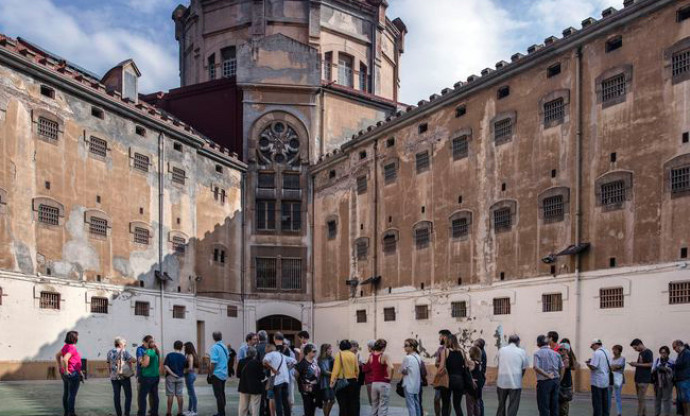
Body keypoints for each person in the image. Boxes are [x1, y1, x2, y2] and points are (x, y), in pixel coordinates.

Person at [496, 335, 529, 416]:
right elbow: (524, 367)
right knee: (513, 405)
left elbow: (499, 364)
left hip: (502, 381)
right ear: (518, 342)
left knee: (501, 404)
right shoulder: (522, 351)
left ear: (509, 341)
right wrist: (520, 377)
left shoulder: (501, 350)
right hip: (515, 382)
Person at [264, 342, 297, 416]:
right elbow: (294, 361)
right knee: (285, 401)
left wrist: (272, 369)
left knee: (278, 401)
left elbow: (264, 361)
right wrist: (288, 368)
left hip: (277, 381)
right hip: (285, 380)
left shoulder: (270, 354)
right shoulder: (281, 355)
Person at [533, 334, 563, 416]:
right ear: (548, 343)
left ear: (538, 344)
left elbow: (536, 367)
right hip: (555, 381)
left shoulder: (537, 354)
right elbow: (562, 366)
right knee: (554, 406)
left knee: (544, 406)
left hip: (544, 382)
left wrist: (547, 375)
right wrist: (560, 378)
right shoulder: (556, 353)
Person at [56, 330, 83, 416]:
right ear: (74, 338)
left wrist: (60, 367)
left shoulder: (65, 346)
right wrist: (67, 370)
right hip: (72, 374)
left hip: (66, 374)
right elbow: (65, 359)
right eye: (77, 336)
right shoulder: (72, 348)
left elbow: (57, 355)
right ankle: (71, 413)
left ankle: (66, 412)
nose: (78, 338)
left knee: (66, 393)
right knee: (72, 395)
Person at [107, 336, 136, 416]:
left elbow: (108, 364)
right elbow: (132, 360)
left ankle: (119, 414)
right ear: (120, 344)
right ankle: (126, 413)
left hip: (113, 377)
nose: (125, 345)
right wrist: (138, 360)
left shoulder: (109, 352)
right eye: (124, 344)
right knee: (128, 395)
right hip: (124, 376)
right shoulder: (124, 351)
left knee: (116, 396)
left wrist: (111, 374)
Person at [442, 334, 470, 416]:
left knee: (446, 404)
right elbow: (466, 367)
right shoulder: (462, 351)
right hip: (460, 380)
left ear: (448, 341)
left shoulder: (446, 351)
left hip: (448, 380)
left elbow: (442, 366)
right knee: (457, 405)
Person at [330, 340, 360, 416]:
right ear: (349, 346)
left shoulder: (339, 355)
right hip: (353, 381)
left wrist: (332, 381)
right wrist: (356, 378)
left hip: (342, 382)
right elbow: (357, 369)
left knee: (342, 404)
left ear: (340, 347)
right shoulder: (353, 355)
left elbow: (336, 370)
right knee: (352, 403)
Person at [586, 339, 611, 416]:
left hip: (597, 381)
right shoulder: (607, 352)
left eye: (592, 346)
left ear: (595, 345)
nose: (592, 348)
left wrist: (588, 364)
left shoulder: (597, 353)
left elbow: (594, 367)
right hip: (605, 380)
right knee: (605, 402)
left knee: (597, 403)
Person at [367, 339, 392, 416]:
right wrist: (390, 377)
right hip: (383, 383)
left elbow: (368, 367)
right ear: (383, 347)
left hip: (374, 383)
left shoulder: (371, 356)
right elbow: (391, 367)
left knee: (374, 405)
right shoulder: (384, 355)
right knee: (383, 406)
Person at [630, 339, 654, 416]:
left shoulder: (648, 352)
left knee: (641, 400)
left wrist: (637, 364)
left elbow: (650, 364)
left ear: (640, 344)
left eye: (635, 348)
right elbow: (641, 363)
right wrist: (636, 364)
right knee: (641, 400)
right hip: (638, 379)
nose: (635, 350)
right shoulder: (641, 353)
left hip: (644, 380)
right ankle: (644, 414)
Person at [295, 344, 321, 416]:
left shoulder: (314, 362)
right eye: (313, 351)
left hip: (315, 388)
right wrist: (301, 383)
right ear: (308, 352)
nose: (315, 353)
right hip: (305, 389)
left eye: (315, 351)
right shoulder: (302, 363)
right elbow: (296, 375)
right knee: (308, 408)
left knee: (313, 408)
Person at [238, 346, 264, 416]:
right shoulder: (258, 363)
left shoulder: (241, 362)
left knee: (243, 407)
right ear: (255, 354)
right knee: (255, 407)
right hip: (256, 388)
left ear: (246, 353)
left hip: (244, 386)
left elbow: (238, 375)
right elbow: (262, 376)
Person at [209, 331, 230, 416]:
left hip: (217, 373)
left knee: (218, 395)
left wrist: (210, 373)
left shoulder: (214, 348)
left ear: (213, 338)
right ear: (221, 337)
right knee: (222, 393)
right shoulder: (224, 347)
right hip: (224, 373)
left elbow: (213, 362)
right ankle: (222, 411)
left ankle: (221, 413)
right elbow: (227, 358)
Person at [138, 338, 160, 416]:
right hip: (156, 376)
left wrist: (140, 361)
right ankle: (154, 413)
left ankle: (141, 414)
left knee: (142, 397)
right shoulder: (156, 352)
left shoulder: (148, 352)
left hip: (147, 377)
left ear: (147, 344)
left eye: (144, 343)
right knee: (154, 396)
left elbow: (146, 364)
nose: (143, 344)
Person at [163, 340, 186, 416]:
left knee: (170, 395)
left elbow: (166, 365)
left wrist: (172, 373)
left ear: (174, 346)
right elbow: (185, 368)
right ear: (181, 347)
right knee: (179, 395)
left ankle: (169, 412)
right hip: (180, 377)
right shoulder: (183, 357)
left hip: (170, 377)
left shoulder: (170, 355)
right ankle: (180, 412)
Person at [402, 338, 423, 416]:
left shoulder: (407, 358)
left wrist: (405, 371)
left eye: (406, 345)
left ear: (412, 347)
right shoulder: (418, 357)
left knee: (411, 405)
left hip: (408, 384)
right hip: (416, 384)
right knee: (416, 404)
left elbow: (402, 370)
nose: (404, 347)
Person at [652, 346, 675, 416]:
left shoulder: (671, 361)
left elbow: (673, 373)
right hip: (658, 382)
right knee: (657, 399)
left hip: (668, 383)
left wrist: (665, 369)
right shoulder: (657, 361)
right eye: (661, 353)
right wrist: (657, 368)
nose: (663, 354)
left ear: (668, 353)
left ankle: (667, 414)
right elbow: (652, 370)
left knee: (666, 400)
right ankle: (657, 414)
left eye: (665, 353)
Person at [435, 330, 452, 416]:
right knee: (436, 399)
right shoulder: (440, 349)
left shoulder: (452, 349)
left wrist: (444, 364)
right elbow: (436, 363)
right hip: (441, 377)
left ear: (444, 337)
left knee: (447, 400)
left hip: (449, 378)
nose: (439, 338)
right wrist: (442, 363)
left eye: (440, 336)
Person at [465, 346, 485, 416]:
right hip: (478, 386)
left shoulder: (472, 363)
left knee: (470, 406)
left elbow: (465, 367)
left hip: (472, 386)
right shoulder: (479, 363)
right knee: (477, 404)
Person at [672, 340, 690, 416]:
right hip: (680, 379)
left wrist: (673, 365)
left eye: (674, 347)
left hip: (684, 379)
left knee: (686, 399)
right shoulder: (681, 354)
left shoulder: (686, 353)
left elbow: (682, 365)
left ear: (679, 345)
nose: (674, 349)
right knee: (682, 399)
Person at [318, 343, 336, 416]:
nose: (331, 350)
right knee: (325, 401)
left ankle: (327, 414)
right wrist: (334, 373)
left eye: (331, 348)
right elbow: (324, 371)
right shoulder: (320, 360)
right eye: (329, 349)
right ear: (324, 350)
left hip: (331, 383)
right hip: (324, 383)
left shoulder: (332, 359)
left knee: (332, 400)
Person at [557, 343, 574, 416]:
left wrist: (558, 381)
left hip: (564, 385)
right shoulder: (563, 358)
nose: (559, 351)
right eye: (558, 349)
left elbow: (563, 371)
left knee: (563, 406)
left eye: (561, 350)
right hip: (565, 384)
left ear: (566, 350)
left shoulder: (566, 359)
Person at [183, 342, 199, 416]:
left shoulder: (190, 356)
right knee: (190, 393)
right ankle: (189, 410)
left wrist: (183, 371)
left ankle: (194, 411)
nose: (184, 348)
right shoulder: (193, 354)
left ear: (188, 347)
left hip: (189, 375)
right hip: (192, 375)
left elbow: (190, 368)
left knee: (192, 394)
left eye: (185, 347)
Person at [472, 339, 487, 416]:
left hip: (479, 378)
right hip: (480, 377)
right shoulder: (482, 352)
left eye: (475, 344)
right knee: (478, 399)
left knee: (477, 399)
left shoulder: (480, 354)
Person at [610, 345, 626, 416]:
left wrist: (613, 367)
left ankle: (619, 412)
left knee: (617, 396)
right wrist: (613, 367)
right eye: (613, 350)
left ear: (619, 351)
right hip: (610, 379)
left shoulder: (622, 359)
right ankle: (607, 411)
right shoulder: (611, 359)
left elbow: (618, 367)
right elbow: (610, 367)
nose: (614, 351)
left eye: (615, 350)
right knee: (608, 396)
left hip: (618, 379)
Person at [363, 340, 376, 406]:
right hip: (375, 379)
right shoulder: (379, 355)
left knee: (372, 402)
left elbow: (367, 368)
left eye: (368, 347)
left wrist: (362, 365)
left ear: (371, 347)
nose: (367, 348)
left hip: (370, 380)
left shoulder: (372, 355)